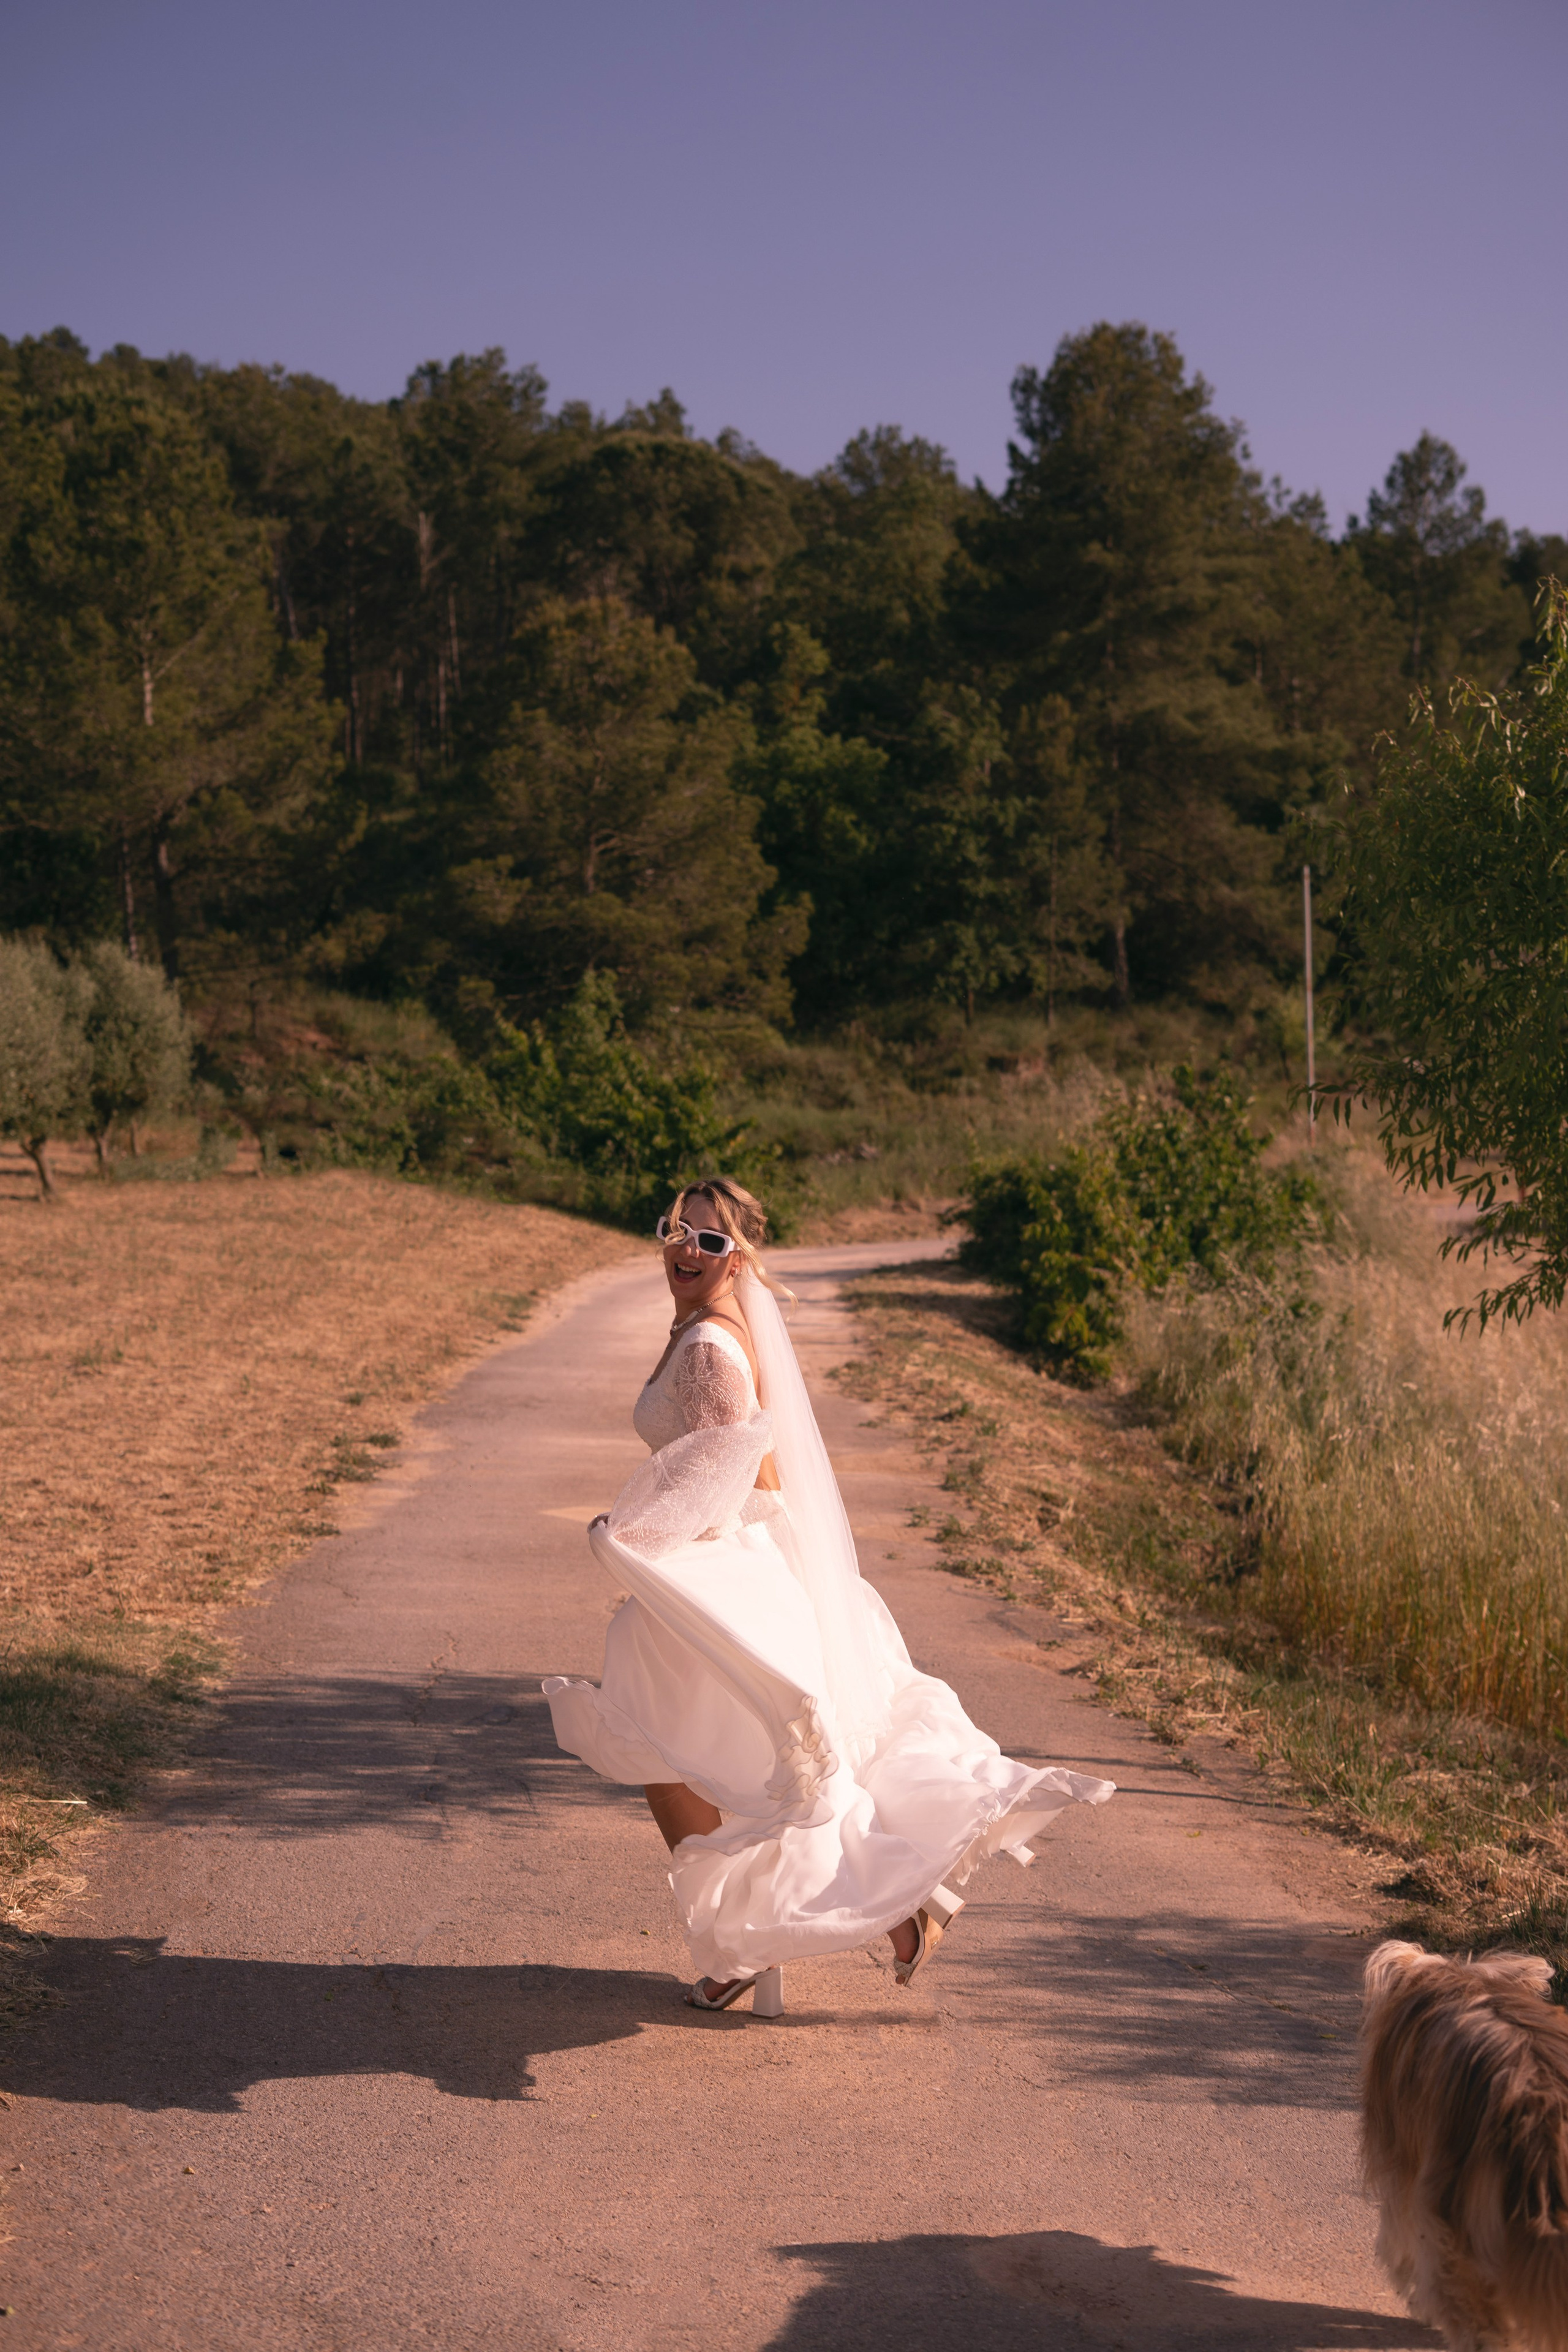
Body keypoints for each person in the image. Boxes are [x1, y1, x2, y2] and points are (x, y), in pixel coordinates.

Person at [544, 1177, 1113, 2011]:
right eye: (677, 1230)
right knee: (722, 1762)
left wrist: (630, 1534)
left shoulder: (710, 1347)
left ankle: (793, 1934)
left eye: (711, 1240)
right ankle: (843, 1926)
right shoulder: (708, 1327)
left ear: (740, 1259)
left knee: (705, 1760)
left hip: (724, 1562)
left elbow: (726, 1468)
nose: (687, 1249)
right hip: (731, 1555)